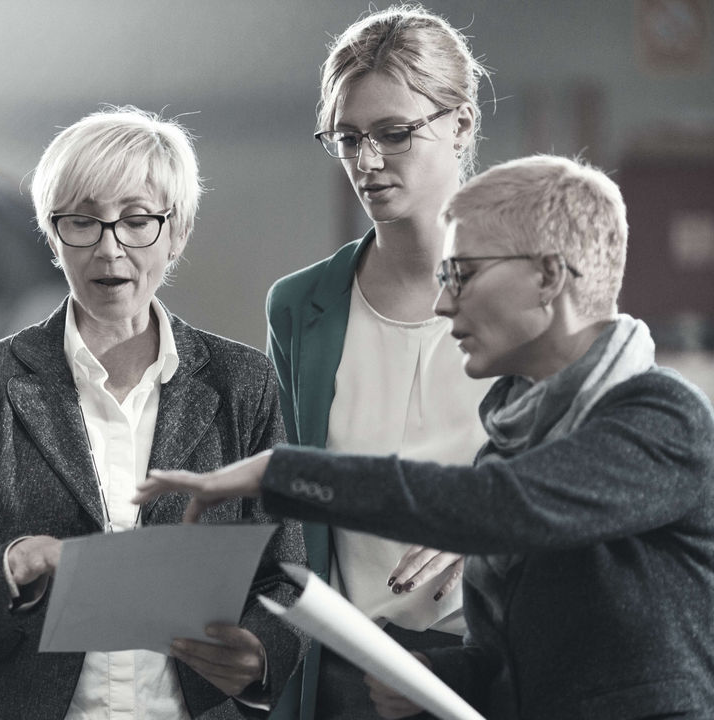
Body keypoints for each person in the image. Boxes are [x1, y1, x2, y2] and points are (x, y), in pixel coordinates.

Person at [137, 154, 714, 719]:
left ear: (548, 277)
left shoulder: (662, 417)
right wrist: (439, 678)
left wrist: (282, 471)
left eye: (461, 275)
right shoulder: (515, 437)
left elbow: (499, 507)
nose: (442, 302)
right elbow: (519, 661)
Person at [0, 107, 308, 720]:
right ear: (52, 234)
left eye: (138, 220)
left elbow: (288, 578)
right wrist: (14, 566)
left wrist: (259, 653)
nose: (109, 247)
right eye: (81, 222)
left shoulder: (244, 383)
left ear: (177, 234)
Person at [263, 5, 494, 718]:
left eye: (393, 134)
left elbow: (587, 485)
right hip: (348, 676)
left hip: (501, 665)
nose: (366, 162)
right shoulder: (300, 307)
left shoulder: (537, 289)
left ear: (459, 124)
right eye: (347, 138)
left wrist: (489, 528)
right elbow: (292, 507)